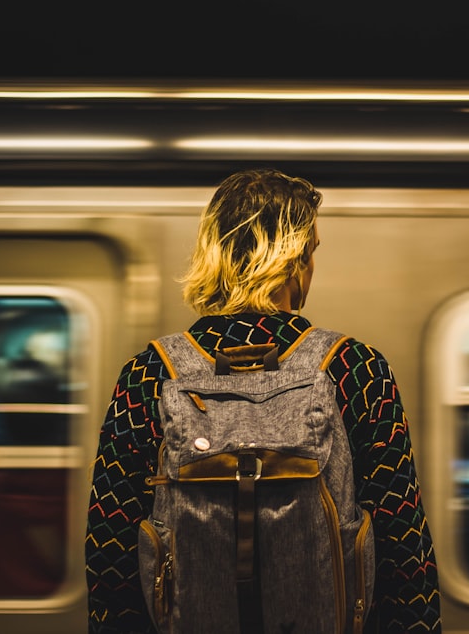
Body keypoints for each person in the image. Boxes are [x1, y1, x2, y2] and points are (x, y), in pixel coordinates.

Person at [85, 169, 441, 633]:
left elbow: (110, 547)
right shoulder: (355, 369)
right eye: (312, 251)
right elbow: (404, 546)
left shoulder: (149, 374)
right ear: (292, 258)